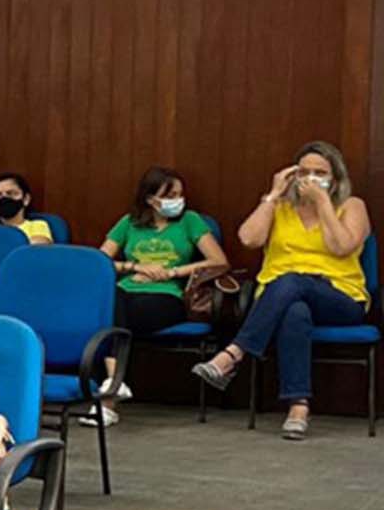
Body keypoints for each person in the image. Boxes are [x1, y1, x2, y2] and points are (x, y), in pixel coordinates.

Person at [192, 142, 372, 440]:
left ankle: (233, 354)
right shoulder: (280, 207)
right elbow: (248, 239)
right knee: (294, 311)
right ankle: (298, 407)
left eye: (320, 173)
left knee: (293, 280)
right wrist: (273, 195)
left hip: (340, 296)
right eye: (304, 172)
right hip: (280, 298)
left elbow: (342, 246)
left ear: (336, 179)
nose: (311, 179)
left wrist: (324, 204)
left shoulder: (352, 206)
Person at [86, 167, 230, 427]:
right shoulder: (128, 223)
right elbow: (98, 262)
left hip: (168, 296)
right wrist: (135, 267)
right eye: (170, 194)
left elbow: (219, 262)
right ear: (151, 199)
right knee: (111, 302)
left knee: (114, 319)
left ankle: (109, 393)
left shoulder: (191, 221)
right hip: (128, 290)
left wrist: (171, 272)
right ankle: (112, 389)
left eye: (179, 194)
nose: (178, 199)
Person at [0, 172, 53, 244]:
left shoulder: (37, 225)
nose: (4, 198)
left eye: (10, 193)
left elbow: (40, 245)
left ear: (26, 199)